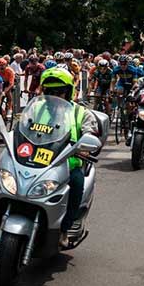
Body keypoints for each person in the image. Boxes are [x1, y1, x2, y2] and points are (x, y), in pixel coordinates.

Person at [34, 67, 100, 244]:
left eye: (59, 92)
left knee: (77, 185)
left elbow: (90, 133)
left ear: (68, 92)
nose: (54, 96)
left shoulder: (81, 113)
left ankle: (64, 229)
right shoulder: (36, 108)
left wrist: (85, 147)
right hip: (35, 161)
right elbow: (20, 128)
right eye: (49, 92)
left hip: (67, 164)